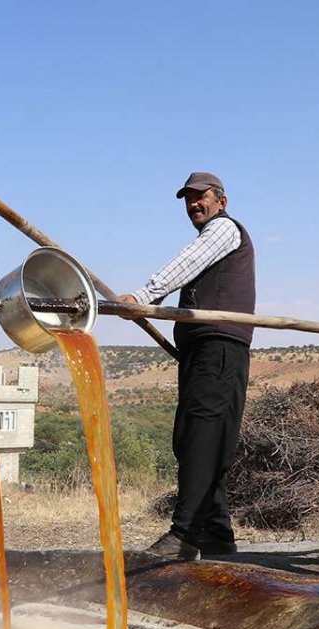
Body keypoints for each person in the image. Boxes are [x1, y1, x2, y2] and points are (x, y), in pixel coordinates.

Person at [120, 171, 256, 560]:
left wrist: (145, 296)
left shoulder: (225, 231)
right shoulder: (213, 234)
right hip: (204, 349)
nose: (194, 204)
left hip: (220, 346)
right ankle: (216, 533)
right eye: (188, 199)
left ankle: (185, 534)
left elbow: (187, 262)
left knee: (202, 437)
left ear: (221, 202)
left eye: (202, 197)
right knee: (192, 437)